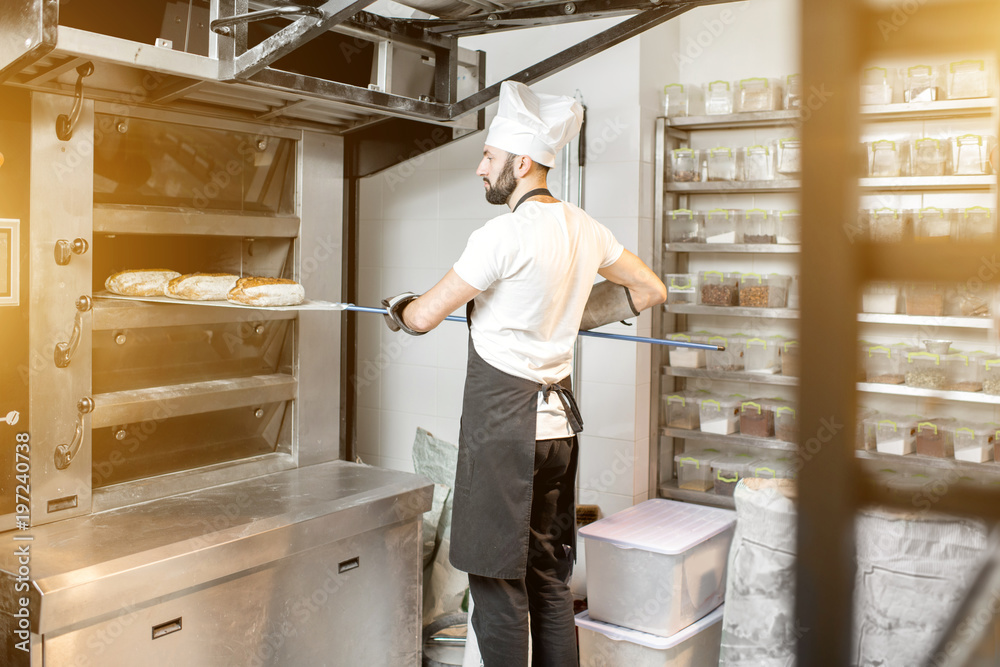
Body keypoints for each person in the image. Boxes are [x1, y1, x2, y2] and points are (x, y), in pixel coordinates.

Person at [380, 80, 666, 666]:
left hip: (503, 435)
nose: (480, 169)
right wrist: (565, 316)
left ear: (523, 161)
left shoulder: (501, 236)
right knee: (548, 579)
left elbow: (424, 316)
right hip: (558, 433)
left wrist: (399, 308)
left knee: (496, 580)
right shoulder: (587, 228)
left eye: (489, 156)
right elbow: (650, 288)